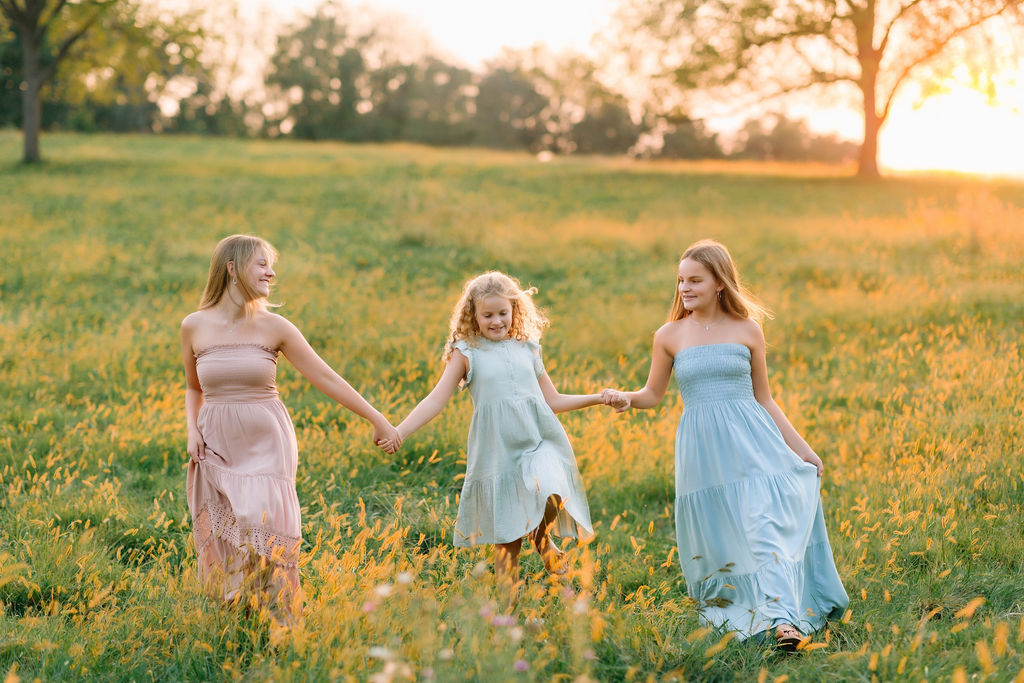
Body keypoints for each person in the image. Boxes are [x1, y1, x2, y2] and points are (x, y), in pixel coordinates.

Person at [602, 239, 848, 651]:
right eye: (680, 281)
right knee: (729, 538)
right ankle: (751, 607)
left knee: (764, 526)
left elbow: (764, 398)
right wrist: (627, 397)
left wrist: (802, 449)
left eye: (695, 280)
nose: (685, 288)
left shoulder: (748, 329)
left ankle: (783, 621)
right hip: (705, 453)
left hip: (755, 443)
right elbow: (652, 394)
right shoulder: (669, 335)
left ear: (720, 282)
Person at [180, 234, 399, 622]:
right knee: (231, 528)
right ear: (232, 268)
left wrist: (376, 417)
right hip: (215, 438)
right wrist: (191, 429)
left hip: (266, 441)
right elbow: (193, 387)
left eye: (271, 264)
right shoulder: (194, 327)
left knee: (263, 523)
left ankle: (283, 618)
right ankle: (240, 613)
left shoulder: (275, 326)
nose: (272, 271)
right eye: (261, 264)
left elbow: (326, 377)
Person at [378, 271, 618, 589]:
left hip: (539, 439)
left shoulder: (528, 349)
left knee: (550, 487)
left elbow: (554, 400)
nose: (496, 321)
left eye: (503, 313)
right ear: (473, 316)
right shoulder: (467, 352)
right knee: (508, 543)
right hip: (498, 451)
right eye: (487, 315)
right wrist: (400, 431)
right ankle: (507, 610)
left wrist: (599, 398)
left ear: (514, 311)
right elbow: (436, 399)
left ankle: (544, 541)